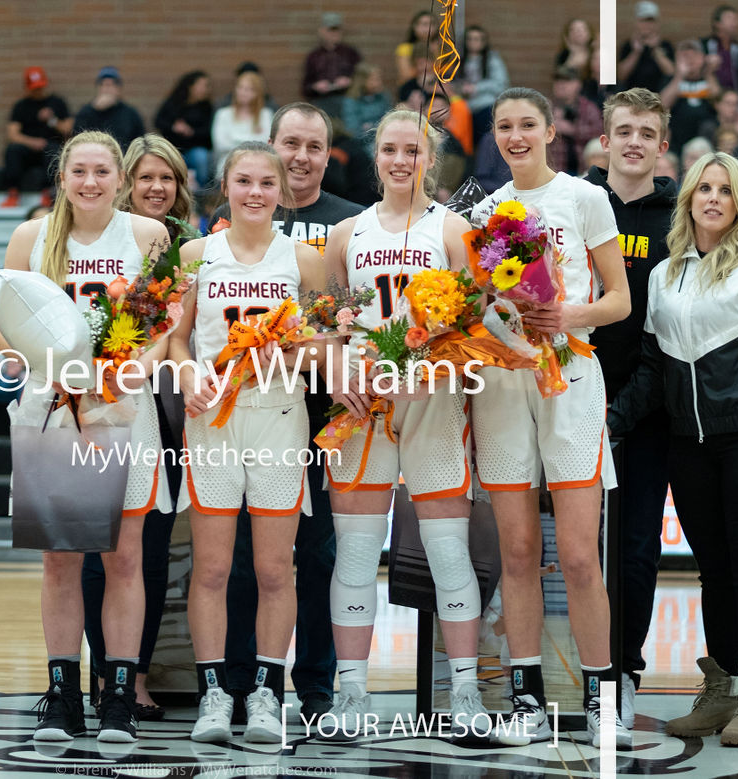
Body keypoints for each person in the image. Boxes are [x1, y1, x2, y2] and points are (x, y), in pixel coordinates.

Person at [610, 151, 738, 747]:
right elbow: (652, 369)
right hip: (688, 447)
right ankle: (720, 693)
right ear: (689, 198)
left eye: (725, 190)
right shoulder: (664, 274)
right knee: (713, 576)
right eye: (704, 188)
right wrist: (609, 421)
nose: (713, 198)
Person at [315, 108, 486, 743]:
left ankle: (465, 689)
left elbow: (476, 322)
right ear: (375, 156)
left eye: (412, 150)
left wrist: (434, 363)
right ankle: (351, 691)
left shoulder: (454, 229)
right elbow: (328, 323)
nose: (399, 160)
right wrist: (337, 370)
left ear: (430, 160)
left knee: (447, 550)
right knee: (357, 551)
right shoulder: (345, 233)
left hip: (434, 401)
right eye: (389, 148)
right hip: (363, 406)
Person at [0, 131, 171, 743]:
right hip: (52, 407)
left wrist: (132, 367)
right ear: (62, 176)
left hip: (121, 409)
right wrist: (44, 360)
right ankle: (63, 695)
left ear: (120, 178)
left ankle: (119, 696)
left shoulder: (148, 235)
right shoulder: (31, 237)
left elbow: (165, 328)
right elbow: (1, 332)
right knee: (59, 558)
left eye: (102, 171)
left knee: (124, 558)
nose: (91, 182)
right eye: (79, 171)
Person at [471, 87, 630, 747]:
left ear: (549, 132)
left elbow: (620, 299)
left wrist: (567, 314)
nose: (516, 136)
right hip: (505, 383)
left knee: (579, 555)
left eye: (527, 125)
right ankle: (527, 702)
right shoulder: (483, 212)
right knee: (516, 552)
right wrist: (492, 316)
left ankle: (601, 701)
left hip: (571, 375)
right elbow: (477, 303)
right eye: (504, 126)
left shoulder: (585, 197)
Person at [170, 142, 326, 744]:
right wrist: (188, 373)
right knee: (211, 567)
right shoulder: (196, 255)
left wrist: (289, 353)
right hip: (213, 419)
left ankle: (266, 692)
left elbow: (326, 346)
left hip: (278, 416)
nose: (255, 193)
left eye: (266, 183)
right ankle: (213, 692)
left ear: (282, 191)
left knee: (273, 568)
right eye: (244, 181)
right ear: (226, 188)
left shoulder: (304, 259)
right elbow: (177, 339)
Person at [209, 105, 360, 724]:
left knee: (318, 553)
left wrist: (326, 359)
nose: (301, 155)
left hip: (328, 410)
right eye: (291, 143)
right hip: (247, 407)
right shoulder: (225, 228)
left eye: (314, 146)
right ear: (270, 146)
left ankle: (315, 683)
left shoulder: (348, 223)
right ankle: (239, 680)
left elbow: (346, 321)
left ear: (328, 155)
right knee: (244, 557)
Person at [79, 133, 199, 723]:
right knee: (95, 550)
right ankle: (105, 675)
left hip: (176, 412)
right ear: (126, 181)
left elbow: (179, 333)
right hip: (104, 403)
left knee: (150, 550)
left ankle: (137, 674)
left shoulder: (190, 245)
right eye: (146, 176)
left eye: (167, 177)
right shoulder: (102, 237)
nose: (157, 187)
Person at [584, 88, 677, 729]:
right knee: (566, 550)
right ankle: (565, 672)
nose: (635, 142)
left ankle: (624, 672)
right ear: (605, 140)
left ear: (662, 145)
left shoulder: (679, 220)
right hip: (566, 401)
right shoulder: (574, 202)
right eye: (625, 131)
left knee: (637, 549)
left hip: (648, 412)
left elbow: (672, 328)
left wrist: (623, 412)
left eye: (647, 133)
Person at [1, 67, 73, 209]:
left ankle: (48, 193)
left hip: (50, 147)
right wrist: (32, 142)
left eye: (40, 87)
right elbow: (12, 134)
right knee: (12, 150)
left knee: (54, 151)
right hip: (28, 148)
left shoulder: (57, 103)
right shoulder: (21, 106)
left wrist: (51, 120)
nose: (38, 91)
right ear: (27, 88)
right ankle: (13, 193)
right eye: (34, 88)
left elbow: (68, 129)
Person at [155, 72, 216, 191]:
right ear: (191, 86)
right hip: (175, 148)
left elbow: (208, 131)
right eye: (203, 85)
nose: (205, 89)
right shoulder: (173, 102)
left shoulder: (206, 107)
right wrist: (174, 127)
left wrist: (192, 131)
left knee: (201, 157)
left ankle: (202, 192)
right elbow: (158, 121)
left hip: (196, 148)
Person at [661, 39, 719, 146]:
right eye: (685, 56)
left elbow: (718, 101)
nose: (690, 60)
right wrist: (679, 76)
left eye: (695, 55)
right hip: (676, 138)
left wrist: (708, 72)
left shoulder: (709, 78)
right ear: (677, 59)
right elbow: (662, 105)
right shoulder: (671, 80)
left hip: (706, 138)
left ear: (702, 58)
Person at [73, 68, 146, 152]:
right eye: (103, 85)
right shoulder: (86, 112)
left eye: (110, 85)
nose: (106, 89)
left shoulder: (130, 114)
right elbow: (77, 138)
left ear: (118, 89)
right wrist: (95, 110)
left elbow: (140, 142)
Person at [212, 72, 271, 174]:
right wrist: (253, 140)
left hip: (259, 164)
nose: (243, 92)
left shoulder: (265, 115)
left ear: (258, 93)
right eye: (240, 87)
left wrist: (235, 138)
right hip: (228, 164)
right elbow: (221, 145)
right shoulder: (223, 114)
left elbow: (268, 143)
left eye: (249, 89)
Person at [303, 12, 361, 115]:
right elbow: (305, 87)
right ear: (321, 31)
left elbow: (363, 78)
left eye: (337, 29)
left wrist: (350, 81)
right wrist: (315, 86)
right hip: (321, 101)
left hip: (348, 99)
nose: (334, 33)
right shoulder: (314, 56)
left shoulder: (350, 53)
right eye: (331, 29)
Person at [549, 67, 603, 174]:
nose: (561, 84)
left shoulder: (588, 108)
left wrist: (572, 130)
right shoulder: (547, 108)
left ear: (578, 84)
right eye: (558, 80)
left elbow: (600, 135)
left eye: (567, 80)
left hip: (583, 170)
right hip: (554, 171)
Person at [619, 1, 675, 94]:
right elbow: (621, 76)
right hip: (632, 97)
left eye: (650, 21)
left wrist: (656, 49)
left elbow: (671, 73)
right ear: (636, 22)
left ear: (657, 23)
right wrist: (636, 52)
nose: (647, 25)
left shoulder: (665, 45)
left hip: (659, 97)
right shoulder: (628, 45)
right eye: (643, 21)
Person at [459, 26, 510, 125]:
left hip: (486, 106)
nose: (472, 42)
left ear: (484, 42)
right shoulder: (459, 60)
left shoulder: (492, 60)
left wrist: (476, 88)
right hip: (465, 108)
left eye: (476, 39)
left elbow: (501, 84)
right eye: (469, 39)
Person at [702, 4, 738, 93]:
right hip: (709, 94)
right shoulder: (703, 45)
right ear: (717, 23)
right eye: (730, 18)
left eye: (736, 19)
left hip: (735, 95)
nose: (735, 23)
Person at [342, 63, 390, 146]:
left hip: (384, 138)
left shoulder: (383, 96)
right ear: (362, 81)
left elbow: (389, 120)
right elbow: (352, 130)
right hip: (362, 143)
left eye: (379, 79)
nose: (379, 83)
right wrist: (378, 127)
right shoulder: (351, 100)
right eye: (374, 80)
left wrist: (370, 126)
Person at [556, 19, 602, 105]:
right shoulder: (564, 55)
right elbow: (560, 78)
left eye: (582, 29)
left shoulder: (596, 52)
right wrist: (573, 57)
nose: (578, 32)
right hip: (569, 100)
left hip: (593, 97)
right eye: (573, 29)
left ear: (589, 33)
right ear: (567, 35)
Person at [395, 10, 437, 85]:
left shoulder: (440, 47)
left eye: (432, 24)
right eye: (425, 24)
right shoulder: (405, 48)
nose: (429, 28)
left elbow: (447, 72)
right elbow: (406, 75)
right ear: (415, 27)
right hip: (411, 86)